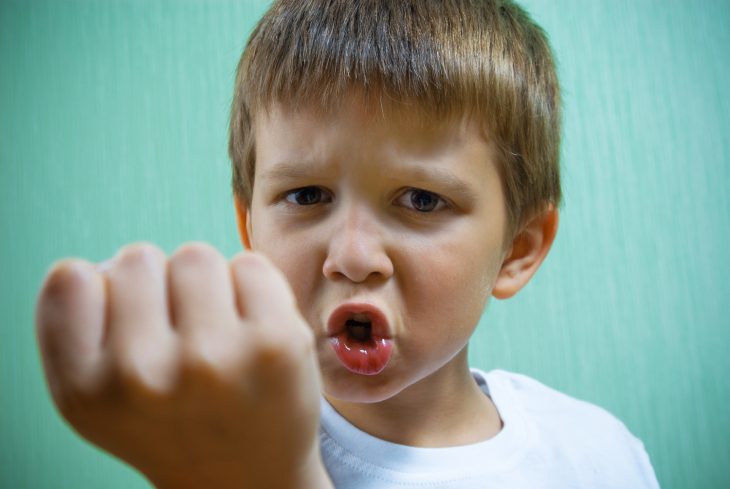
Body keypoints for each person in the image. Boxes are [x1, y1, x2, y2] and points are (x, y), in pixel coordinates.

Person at [35, 1, 660, 488]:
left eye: (421, 200)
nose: (354, 256)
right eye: (307, 196)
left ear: (518, 249)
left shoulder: (599, 455)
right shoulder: (226, 452)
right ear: (250, 228)